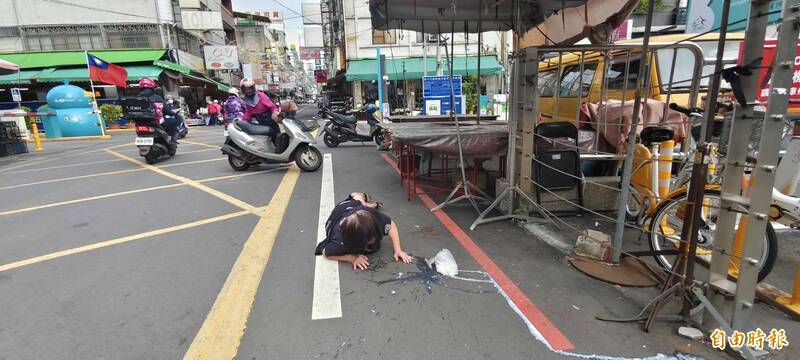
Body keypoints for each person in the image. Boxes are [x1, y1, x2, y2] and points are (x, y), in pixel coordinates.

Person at [315, 192, 413, 270]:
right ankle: (367, 202)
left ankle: (368, 204)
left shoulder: (373, 217)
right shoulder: (340, 239)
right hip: (342, 210)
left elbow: (391, 225)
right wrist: (352, 258)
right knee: (357, 198)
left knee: (359, 200)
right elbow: (326, 252)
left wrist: (398, 250)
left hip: (358, 208)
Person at [137, 78, 179, 144]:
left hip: (140, 124)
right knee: (174, 122)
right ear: (152, 87)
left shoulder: (136, 99)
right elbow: (167, 110)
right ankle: (172, 143)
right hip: (156, 123)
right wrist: (174, 114)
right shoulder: (157, 98)